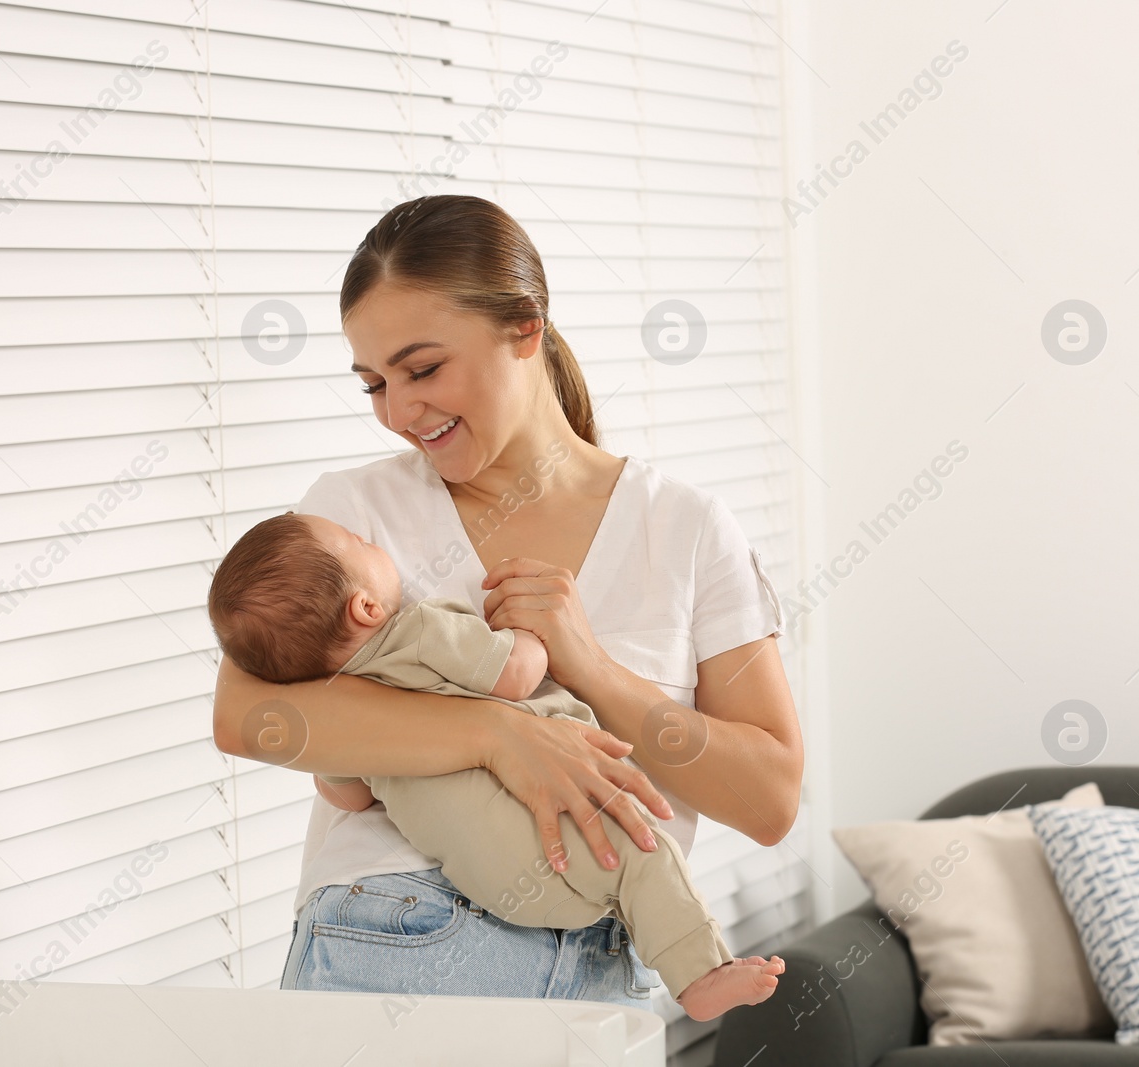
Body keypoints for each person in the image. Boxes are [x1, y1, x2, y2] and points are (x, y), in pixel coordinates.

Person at [211, 193, 803, 1010]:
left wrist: (591, 668)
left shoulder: (686, 528)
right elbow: (248, 717)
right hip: (400, 933)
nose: (399, 411)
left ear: (524, 326)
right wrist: (496, 733)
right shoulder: (351, 519)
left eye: (422, 369)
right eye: (374, 384)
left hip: (608, 954)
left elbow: (769, 798)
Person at [207, 511, 788, 1020]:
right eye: (361, 541)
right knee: (645, 855)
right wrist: (529, 632)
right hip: (554, 853)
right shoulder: (418, 627)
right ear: (365, 606)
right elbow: (513, 673)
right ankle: (700, 975)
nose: (371, 541)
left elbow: (350, 797)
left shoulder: (340, 708)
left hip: (479, 880)